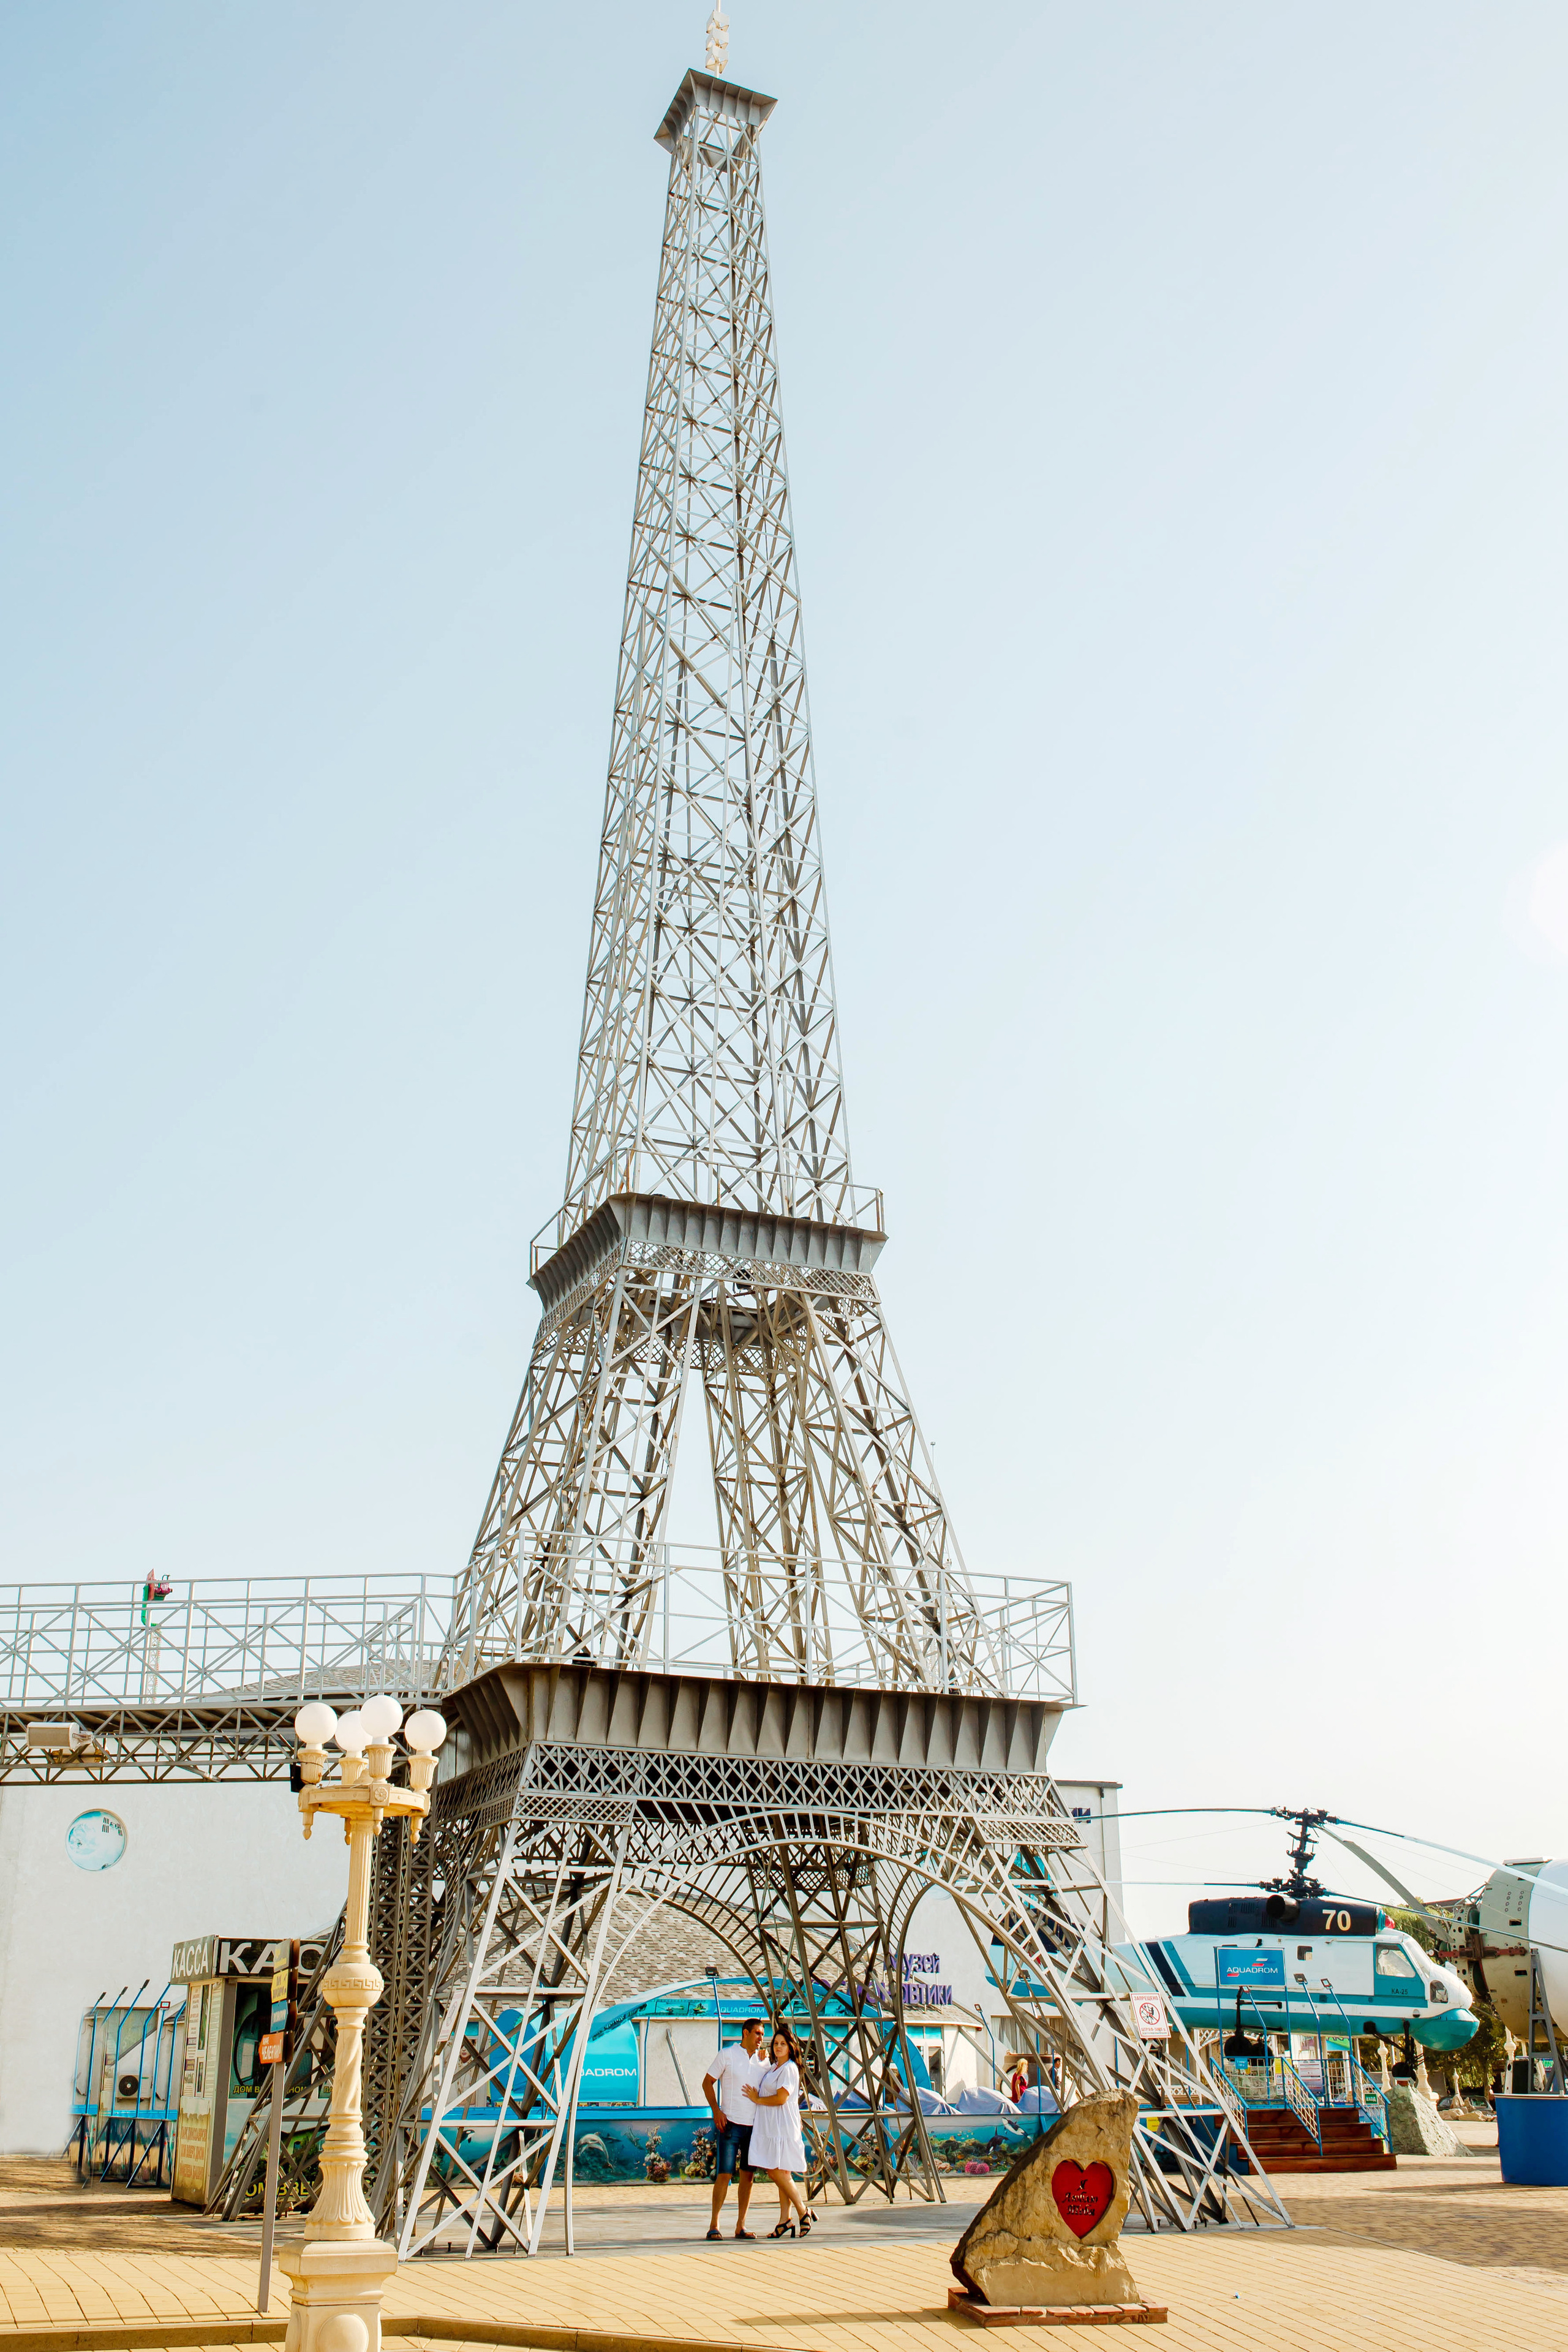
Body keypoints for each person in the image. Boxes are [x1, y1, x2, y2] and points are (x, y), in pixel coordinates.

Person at [744, 2022, 812, 2237]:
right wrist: (763, 2058)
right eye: (776, 2044)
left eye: (783, 2044)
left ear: (791, 2047)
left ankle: (803, 2211)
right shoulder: (775, 2067)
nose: (778, 2047)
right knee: (782, 2171)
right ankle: (785, 2221)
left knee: (775, 2169)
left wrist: (757, 2099)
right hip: (773, 2124)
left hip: (782, 2124)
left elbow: (782, 2098)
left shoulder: (790, 2068)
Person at [701, 2016, 766, 2241]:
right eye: (757, 2033)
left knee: (748, 2177)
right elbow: (707, 2082)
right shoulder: (727, 2055)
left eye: (763, 2035)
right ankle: (714, 2224)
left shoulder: (763, 2061)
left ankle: (741, 2226)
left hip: (753, 2127)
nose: (761, 2038)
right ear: (745, 2033)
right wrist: (716, 2111)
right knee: (724, 2174)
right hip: (729, 2124)